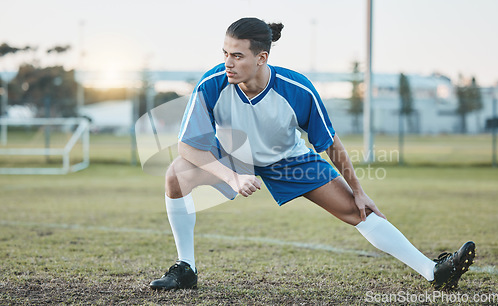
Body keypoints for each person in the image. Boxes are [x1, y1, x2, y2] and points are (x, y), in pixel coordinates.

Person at [149, 17, 475, 291]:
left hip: (289, 160)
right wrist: (231, 177)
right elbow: (188, 146)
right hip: (234, 157)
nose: (228, 63)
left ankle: (435, 272)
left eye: (237, 56)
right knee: (176, 174)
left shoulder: (297, 89)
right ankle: (186, 269)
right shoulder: (212, 83)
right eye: (225, 53)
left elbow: (330, 142)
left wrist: (360, 192)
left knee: (356, 211)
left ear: (262, 58)